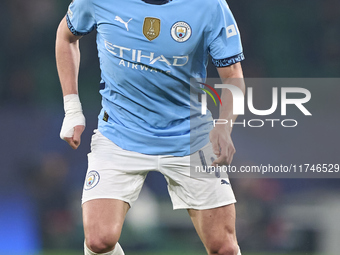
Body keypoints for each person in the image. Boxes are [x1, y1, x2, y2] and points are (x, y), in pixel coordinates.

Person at [55, 0, 245, 254]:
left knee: (224, 248)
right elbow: (66, 37)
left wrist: (223, 125)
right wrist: (72, 109)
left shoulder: (209, 5)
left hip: (190, 137)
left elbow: (233, 75)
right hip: (120, 133)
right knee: (99, 240)